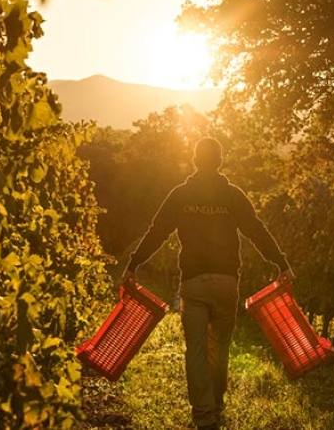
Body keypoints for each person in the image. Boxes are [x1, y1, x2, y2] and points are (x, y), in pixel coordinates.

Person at [122, 137, 294, 430]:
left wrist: (133, 264)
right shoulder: (233, 196)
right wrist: (281, 262)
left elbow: (157, 231)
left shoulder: (180, 195)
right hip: (227, 283)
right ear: (220, 161)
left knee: (197, 350)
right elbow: (256, 230)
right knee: (221, 346)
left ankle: (204, 415)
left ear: (195, 160)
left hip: (194, 284)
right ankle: (216, 402)